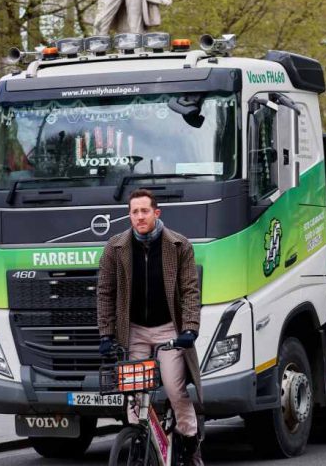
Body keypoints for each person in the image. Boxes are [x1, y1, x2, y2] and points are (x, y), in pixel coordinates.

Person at [97, 189, 202, 465]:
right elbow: (105, 292)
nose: (140, 216)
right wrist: (106, 333)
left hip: (169, 329)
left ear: (157, 213)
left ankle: (191, 447)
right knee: (134, 392)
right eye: (134, 212)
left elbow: (190, 290)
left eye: (145, 211)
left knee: (174, 388)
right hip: (135, 331)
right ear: (129, 215)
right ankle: (138, 443)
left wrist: (189, 329)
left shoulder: (179, 245)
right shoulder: (115, 247)